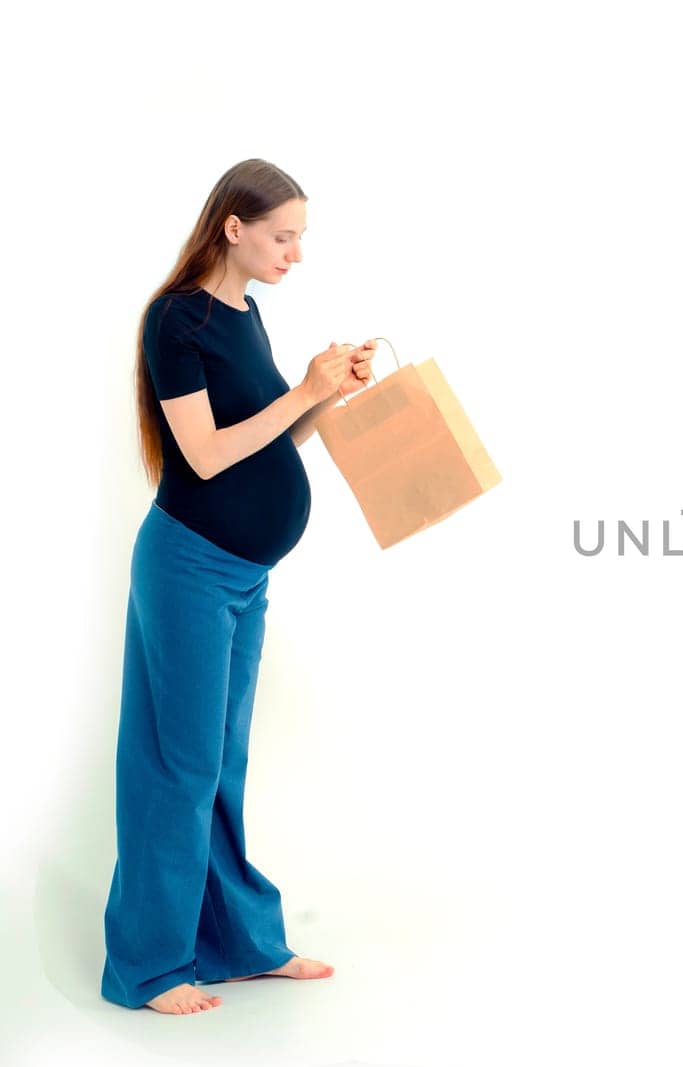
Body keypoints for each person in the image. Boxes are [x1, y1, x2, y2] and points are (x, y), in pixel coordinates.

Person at [102, 159, 377, 1015]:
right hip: (188, 566)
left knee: (220, 763)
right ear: (234, 227)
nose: (295, 254)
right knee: (176, 767)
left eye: (301, 238)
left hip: (244, 576)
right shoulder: (175, 320)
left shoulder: (247, 315)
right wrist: (301, 387)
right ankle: (148, 968)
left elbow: (266, 446)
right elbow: (206, 455)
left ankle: (238, 943)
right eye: (283, 235)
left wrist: (328, 397)